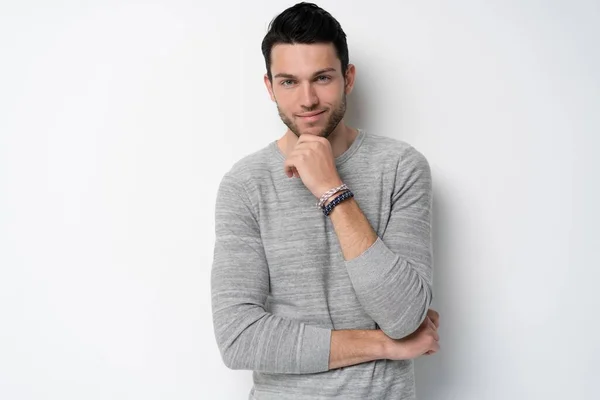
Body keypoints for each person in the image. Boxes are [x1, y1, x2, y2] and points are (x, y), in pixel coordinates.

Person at [211, 2, 440, 399]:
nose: (308, 99)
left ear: (348, 78)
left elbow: (404, 316)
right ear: (269, 87)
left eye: (322, 78)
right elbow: (239, 339)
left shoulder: (401, 167)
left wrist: (332, 191)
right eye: (288, 82)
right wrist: (383, 346)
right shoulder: (245, 185)